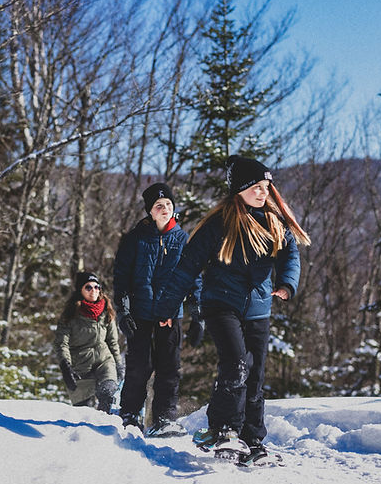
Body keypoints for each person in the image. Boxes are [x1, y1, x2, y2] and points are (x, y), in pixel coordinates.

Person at [156, 155, 311, 460]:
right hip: (221, 305)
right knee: (237, 364)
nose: (262, 191)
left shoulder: (274, 222)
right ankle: (224, 429)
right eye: (255, 186)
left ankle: (252, 441)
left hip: (259, 308)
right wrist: (166, 308)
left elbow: (290, 256)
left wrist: (287, 283)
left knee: (254, 376)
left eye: (266, 186)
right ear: (239, 188)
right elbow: (187, 268)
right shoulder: (219, 224)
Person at [113, 182, 201, 436]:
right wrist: (124, 311)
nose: (164, 209)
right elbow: (122, 278)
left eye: (168, 205)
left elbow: (193, 278)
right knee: (139, 366)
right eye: (158, 205)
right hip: (140, 313)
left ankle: (164, 418)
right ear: (149, 211)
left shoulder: (183, 239)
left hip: (171, 314)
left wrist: (197, 314)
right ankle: (130, 415)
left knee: (169, 368)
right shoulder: (135, 239)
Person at [53, 271, 124, 413]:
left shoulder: (106, 311)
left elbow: (112, 342)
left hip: (104, 361)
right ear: (80, 290)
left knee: (107, 394)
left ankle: (104, 428)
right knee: (83, 412)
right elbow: (62, 343)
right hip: (80, 365)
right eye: (88, 287)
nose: (94, 291)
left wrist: (118, 364)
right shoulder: (70, 314)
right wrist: (65, 366)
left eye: (97, 287)